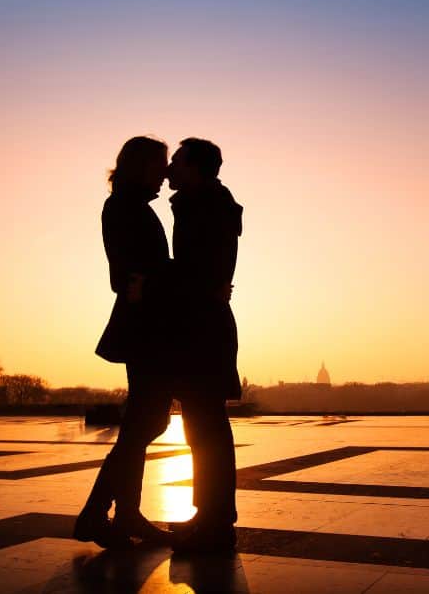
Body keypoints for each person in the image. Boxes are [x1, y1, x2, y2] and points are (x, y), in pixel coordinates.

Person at [74, 136, 174, 549]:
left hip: (144, 322)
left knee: (144, 422)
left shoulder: (127, 205)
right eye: (160, 165)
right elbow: (131, 271)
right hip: (147, 325)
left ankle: (114, 514)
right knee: (145, 423)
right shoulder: (128, 208)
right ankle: (102, 514)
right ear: (142, 167)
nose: (165, 173)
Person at [166, 137, 243, 552]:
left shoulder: (205, 207)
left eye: (176, 161)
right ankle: (209, 515)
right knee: (202, 427)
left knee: (206, 427)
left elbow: (199, 272)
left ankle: (216, 522)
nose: (169, 168)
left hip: (202, 326)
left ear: (195, 168)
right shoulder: (207, 203)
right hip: (203, 322)